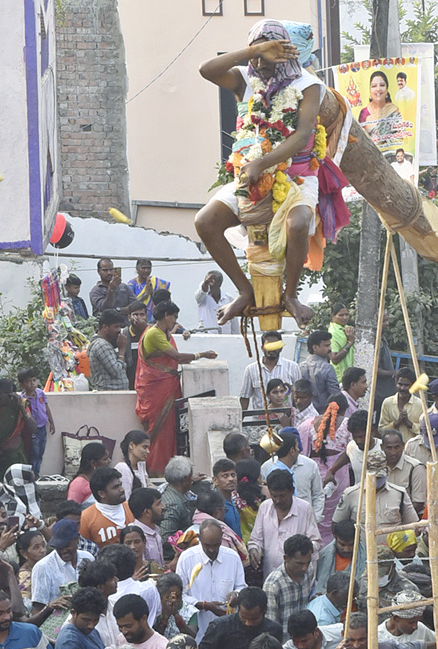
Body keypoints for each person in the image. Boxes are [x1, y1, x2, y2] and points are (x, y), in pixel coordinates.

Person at [196, 22, 345, 327]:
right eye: (257, 55)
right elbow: (206, 70)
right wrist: (253, 51)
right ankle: (244, 290)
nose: (261, 64)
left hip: (296, 176)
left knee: (300, 222)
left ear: (285, 52)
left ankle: (290, 295)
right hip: (250, 175)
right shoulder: (244, 79)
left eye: (268, 55)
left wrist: (263, 164)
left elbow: (303, 135)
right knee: (205, 222)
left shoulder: (307, 84)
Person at [136, 300, 217, 476]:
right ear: (166, 316)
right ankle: (154, 469)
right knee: (159, 429)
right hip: (156, 388)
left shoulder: (163, 333)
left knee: (170, 428)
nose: (175, 321)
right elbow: (177, 357)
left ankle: (168, 467)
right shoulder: (154, 334)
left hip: (166, 385)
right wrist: (202, 354)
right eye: (174, 317)